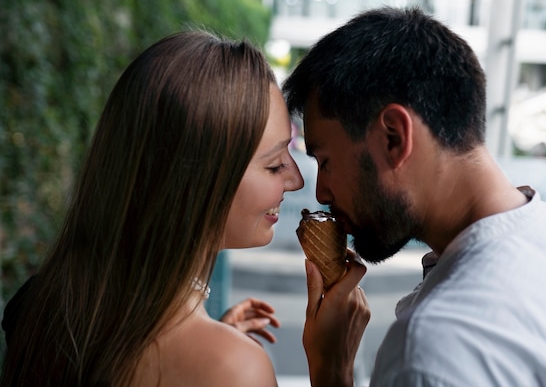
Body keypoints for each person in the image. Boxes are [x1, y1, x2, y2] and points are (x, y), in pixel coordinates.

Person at [0, 30, 371, 387]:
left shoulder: (41, 304)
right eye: (275, 164)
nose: (297, 181)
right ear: (198, 181)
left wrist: (211, 335)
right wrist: (332, 372)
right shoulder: (235, 370)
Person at [283, 6, 546, 387]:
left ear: (394, 138)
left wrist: (330, 373)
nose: (321, 191)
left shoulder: (434, 348)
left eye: (325, 161)